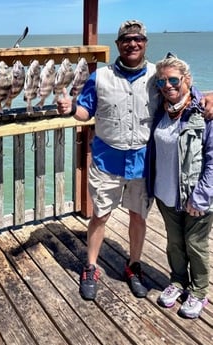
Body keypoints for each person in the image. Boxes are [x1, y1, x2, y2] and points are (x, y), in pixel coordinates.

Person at [57, 19, 213, 301]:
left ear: (145, 43)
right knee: (100, 215)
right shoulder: (100, 77)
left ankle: (134, 265)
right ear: (118, 45)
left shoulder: (158, 76)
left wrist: (211, 97)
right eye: (126, 39)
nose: (132, 43)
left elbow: (186, 91)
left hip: (143, 163)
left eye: (138, 39)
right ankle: (91, 265)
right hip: (106, 161)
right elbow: (85, 112)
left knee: (138, 217)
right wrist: (71, 109)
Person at [146, 54, 213, 319]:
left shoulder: (204, 113)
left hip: (197, 196)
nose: (168, 85)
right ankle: (177, 282)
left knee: (195, 244)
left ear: (187, 80)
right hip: (166, 194)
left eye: (174, 79)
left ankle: (199, 291)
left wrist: (202, 195)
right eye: (162, 81)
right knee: (174, 243)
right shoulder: (161, 109)